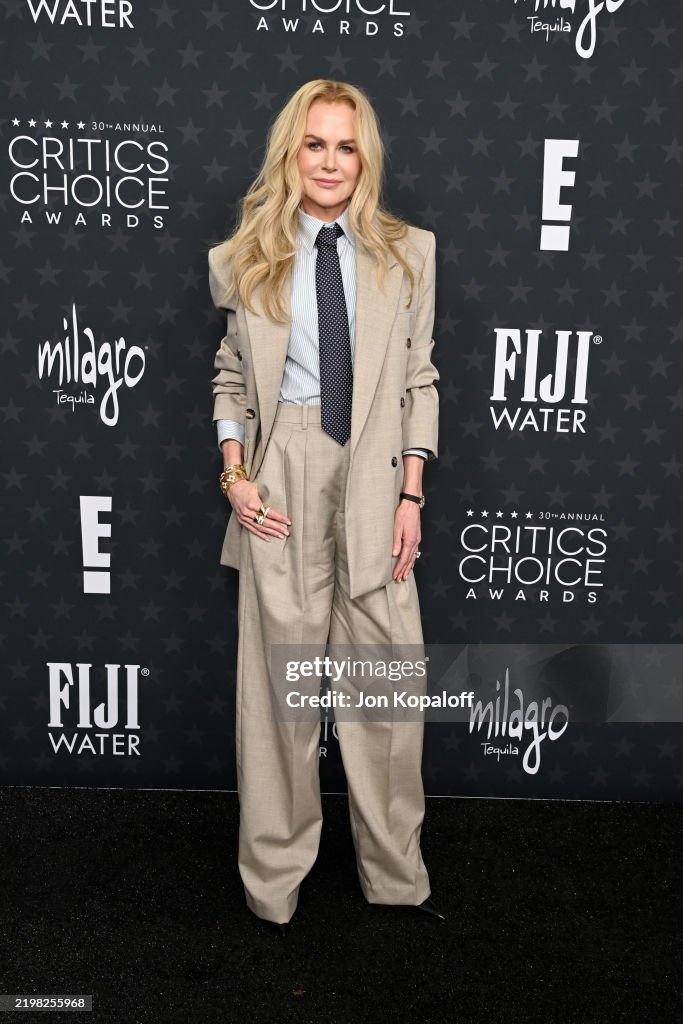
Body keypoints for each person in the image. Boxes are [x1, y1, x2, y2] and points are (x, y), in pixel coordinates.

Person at [207, 79, 442, 934]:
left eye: (346, 146)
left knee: (386, 687)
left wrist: (411, 491)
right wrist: (236, 476)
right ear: (292, 153)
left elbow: (419, 377)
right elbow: (231, 377)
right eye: (315, 144)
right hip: (285, 470)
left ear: (364, 158)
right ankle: (273, 882)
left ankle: (393, 875)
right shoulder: (244, 257)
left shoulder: (408, 253)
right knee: (280, 696)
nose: (330, 162)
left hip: (377, 468)